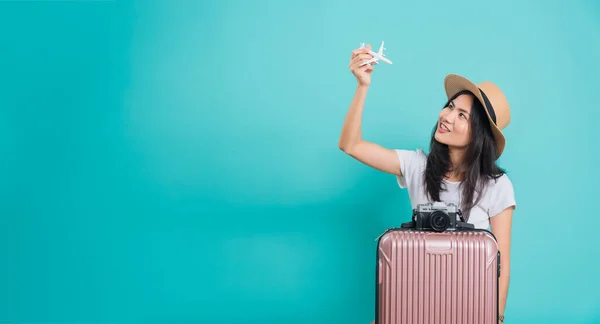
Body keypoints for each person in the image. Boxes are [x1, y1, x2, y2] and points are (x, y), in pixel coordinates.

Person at [339, 44, 515, 323]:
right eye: (450, 107)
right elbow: (351, 145)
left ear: (479, 135)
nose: (446, 117)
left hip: (469, 307)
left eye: (462, 116)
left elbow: (501, 263)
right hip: (413, 299)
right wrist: (362, 85)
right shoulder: (417, 165)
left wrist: (496, 317)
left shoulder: (497, 185)